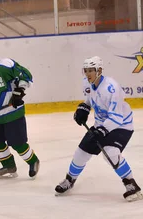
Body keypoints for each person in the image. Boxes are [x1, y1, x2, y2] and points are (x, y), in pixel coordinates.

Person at [55, 56, 142, 201]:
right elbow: (90, 99)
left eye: (91, 70)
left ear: (99, 70)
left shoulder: (112, 88)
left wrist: (102, 131)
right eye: (86, 70)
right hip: (101, 124)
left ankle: (131, 184)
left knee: (111, 152)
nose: (88, 74)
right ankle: (69, 180)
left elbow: (116, 117)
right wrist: (84, 108)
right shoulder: (87, 83)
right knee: (81, 152)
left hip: (121, 125)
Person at [0, 41, 40, 179]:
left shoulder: (6, 64)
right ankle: (9, 166)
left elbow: (25, 75)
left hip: (13, 113)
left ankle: (33, 161)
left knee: (17, 143)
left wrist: (19, 91)